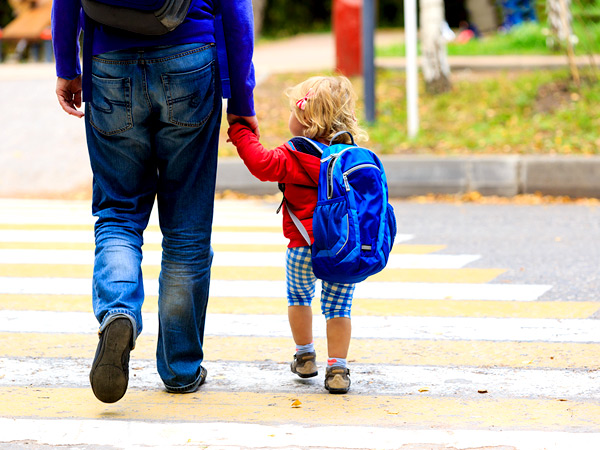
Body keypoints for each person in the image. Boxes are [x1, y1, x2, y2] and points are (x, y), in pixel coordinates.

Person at [52, 0, 258, 403]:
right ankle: (180, 369)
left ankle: (118, 311)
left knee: (118, 212)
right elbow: (236, 10)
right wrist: (241, 100)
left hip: (109, 61)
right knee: (187, 226)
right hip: (189, 58)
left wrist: (67, 66)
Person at [227, 75, 368, 394]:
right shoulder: (350, 157)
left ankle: (305, 355)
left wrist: (240, 132)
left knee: (299, 298)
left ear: (304, 119)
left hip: (302, 247)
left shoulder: (295, 154)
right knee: (339, 309)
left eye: (293, 110)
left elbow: (261, 163)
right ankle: (337, 368)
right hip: (342, 250)